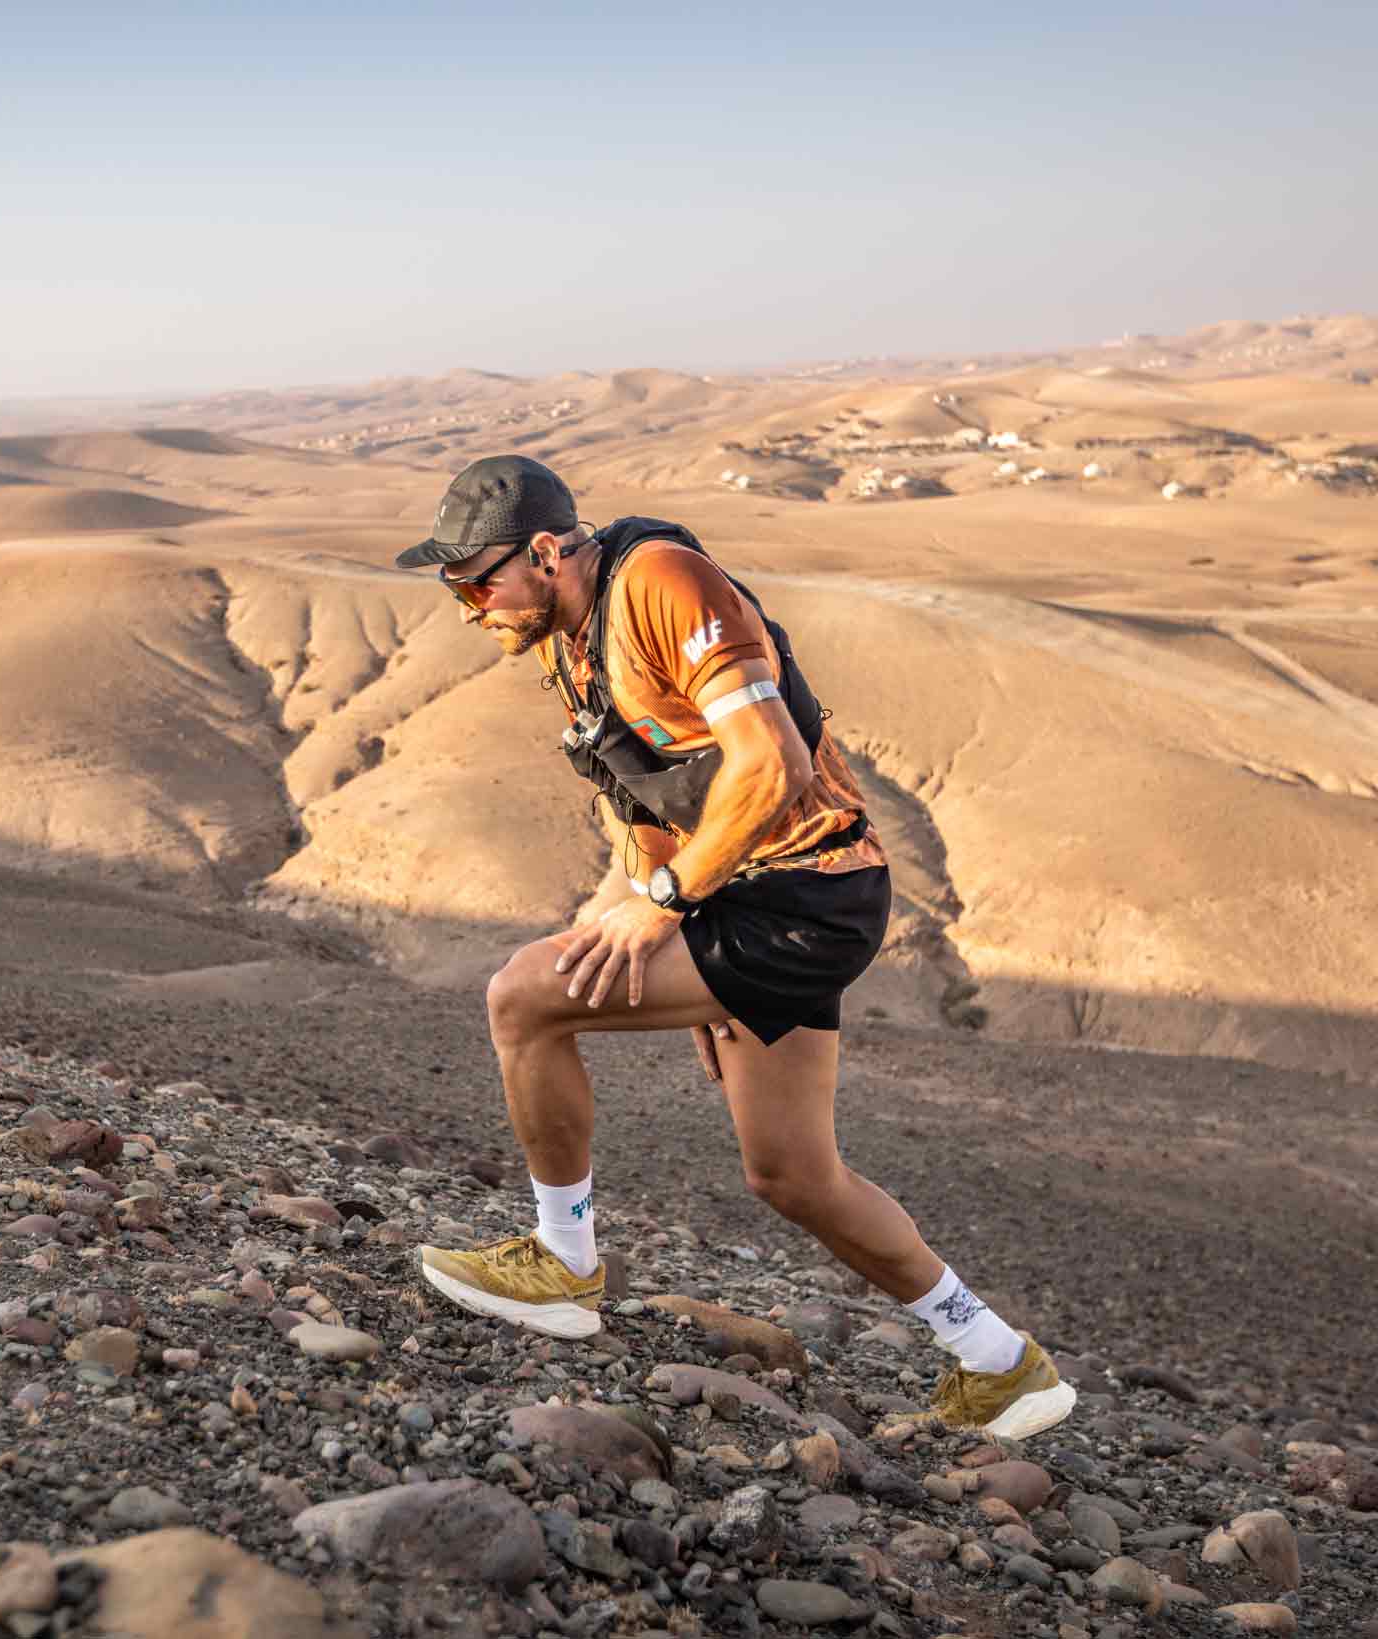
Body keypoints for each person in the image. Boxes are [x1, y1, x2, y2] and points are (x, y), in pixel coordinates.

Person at [394, 454, 1073, 1439]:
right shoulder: (562, 632)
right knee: (792, 1172)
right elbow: (649, 793)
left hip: (802, 897)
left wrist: (668, 903)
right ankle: (1001, 1363)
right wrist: (674, 931)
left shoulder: (663, 583)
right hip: (754, 901)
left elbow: (771, 761)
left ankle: (562, 1262)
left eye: (475, 580)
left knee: (521, 997)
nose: (467, 605)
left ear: (544, 552)